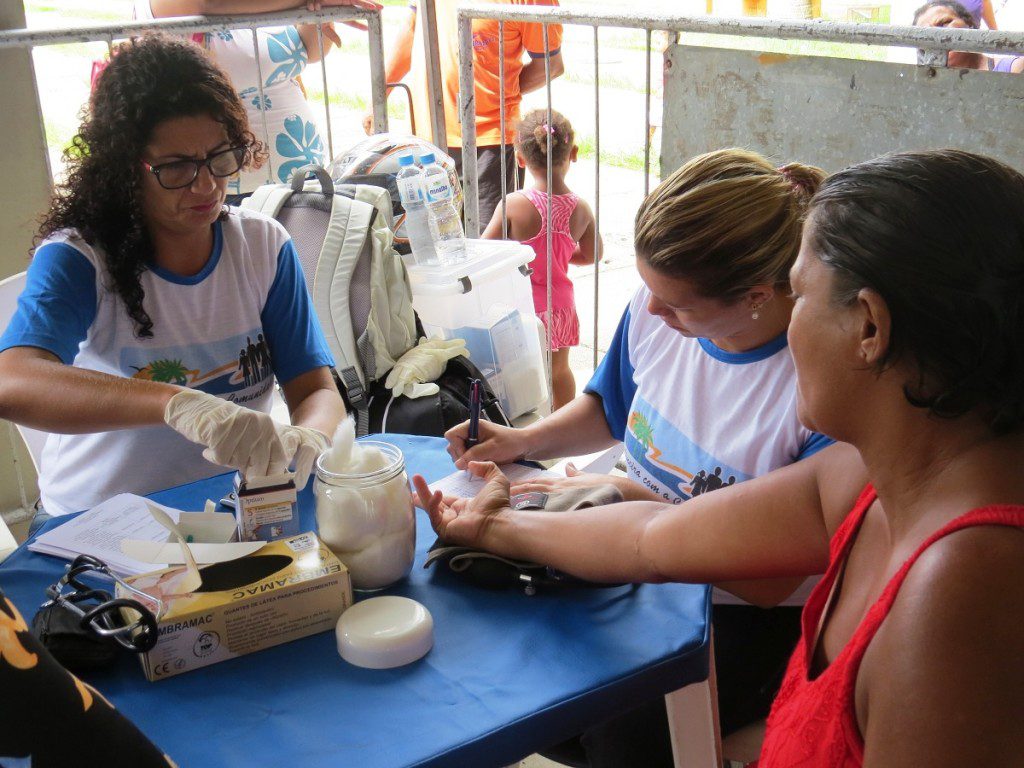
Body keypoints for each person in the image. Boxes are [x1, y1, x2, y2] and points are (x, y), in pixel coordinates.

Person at [417, 148, 1024, 765]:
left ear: (869, 327)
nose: (788, 327)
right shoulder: (856, 477)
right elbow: (651, 537)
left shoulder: (962, 591)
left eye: (799, 293)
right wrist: (494, 525)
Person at [448, 148, 832, 764]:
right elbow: (610, 408)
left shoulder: (816, 384)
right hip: (627, 548)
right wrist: (522, 441)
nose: (650, 311)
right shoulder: (659, 313)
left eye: (677, 304)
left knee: (620, 731)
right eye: (648, 288)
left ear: (757, 295)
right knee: (499, 648)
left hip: (735, 610)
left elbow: (767, 580)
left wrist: (633, 503)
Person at [0, 34, 345, 521]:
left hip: (232, 514)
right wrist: (174, 403)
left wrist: (309, 436)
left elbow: (315, 391)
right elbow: (12, 382)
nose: (206, 185)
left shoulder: (263, 248)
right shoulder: (81, 259)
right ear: (125, 168)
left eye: (219, 157)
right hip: (97, 524)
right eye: (176, 168)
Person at [139, 0, 381, 201]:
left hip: (301, 174)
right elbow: (207, 3)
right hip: (225, 188)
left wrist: (315, 13)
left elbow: (311, 50)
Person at [367, 0, 565, 226]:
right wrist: (380, 96)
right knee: (437, 244)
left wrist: (496, 93)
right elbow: (412, 29)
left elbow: (551, 64)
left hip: (489, 146)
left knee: (489, 248)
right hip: (428, 139)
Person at [481, 108, 600, 410]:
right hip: (560, 305)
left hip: (521, 306)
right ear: (573, 153)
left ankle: (523, 421)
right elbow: (593, 253)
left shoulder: (513, 205)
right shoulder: (581, 208)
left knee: (518, 371)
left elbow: (486, 250)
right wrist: (558, 252)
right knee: (559, 371)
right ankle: (562, 424)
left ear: (520, 159)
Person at [913, 1, 1023, 71]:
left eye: (944, 23)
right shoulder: (923, 90)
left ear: (969, 24)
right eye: (925, 34)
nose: (936, 36)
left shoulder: (1014, 69)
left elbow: (996, 34)